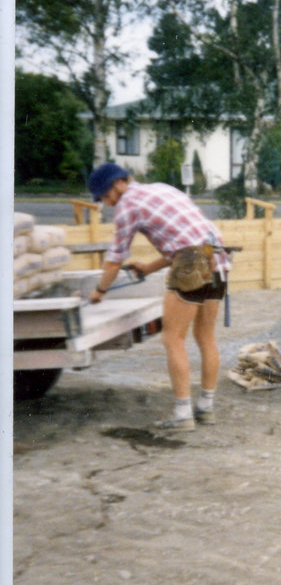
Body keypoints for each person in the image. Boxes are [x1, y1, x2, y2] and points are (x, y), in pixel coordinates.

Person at [86, 163, 232, 431]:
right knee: (206, 337)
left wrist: (100, 291)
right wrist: (149, 268)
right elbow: (188, 240)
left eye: (105, 196)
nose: (106, 203)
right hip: (218, 257)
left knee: (172, 338)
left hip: (192, 261)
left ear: (119, 183)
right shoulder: (162, 189)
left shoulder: (127, 206)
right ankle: (206, 409)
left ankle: (182, 414)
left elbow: (115, 260)